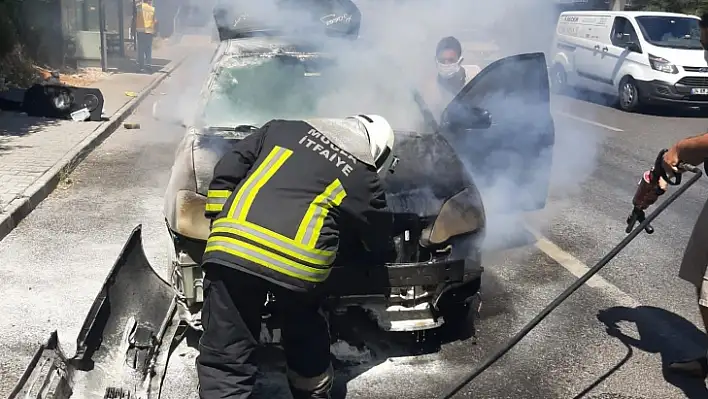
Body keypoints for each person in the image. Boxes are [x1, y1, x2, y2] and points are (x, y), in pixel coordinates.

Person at [197, 115, 397, 399]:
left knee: (226, 352)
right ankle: (312, 394)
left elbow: (230, 163)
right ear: (377, 151)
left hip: (234, 247)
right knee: (305, 331)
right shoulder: (362, 175)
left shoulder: (279, 127)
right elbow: (376, 231)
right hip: (298, 267)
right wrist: (380, 253)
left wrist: (220, 216)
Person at [420, 36, 482, 118]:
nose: (446, 64)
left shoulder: (475, 77)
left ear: (460, 61)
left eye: (451, 60)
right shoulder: (431, 89)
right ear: (436, 61)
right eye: (442, 60)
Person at [134, 0, 157, 72]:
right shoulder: (152, 9)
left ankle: (141, 66)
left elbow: (135, 18)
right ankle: (148, 64)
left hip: (141, 31)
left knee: (141, 49)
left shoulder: (139, 7)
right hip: (149, 31)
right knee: (148, 48)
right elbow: (155, 21)